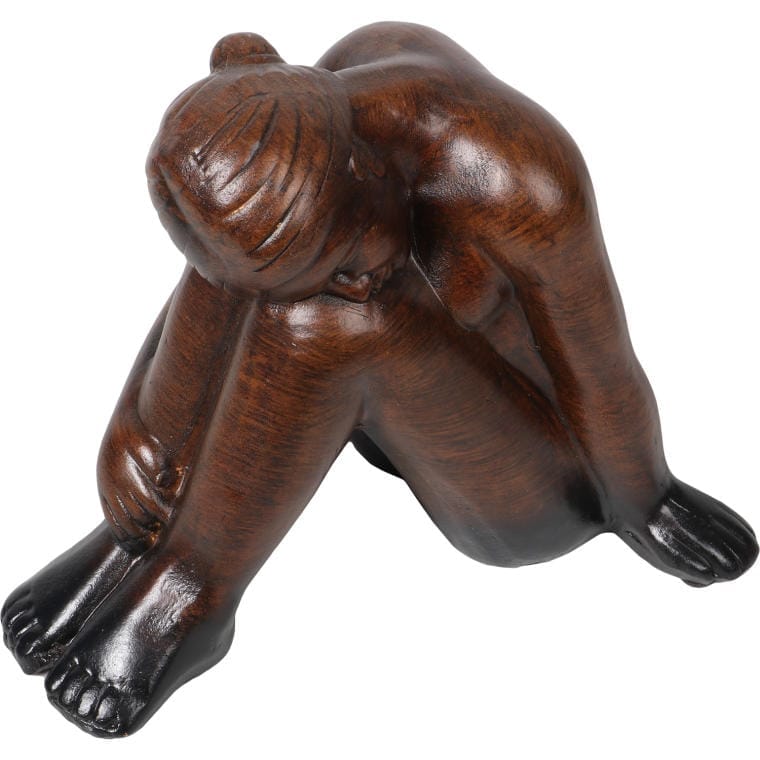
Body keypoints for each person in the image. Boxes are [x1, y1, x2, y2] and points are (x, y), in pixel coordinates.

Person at [3, 24, 756, 737]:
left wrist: (650, 501)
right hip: (385, 425)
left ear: (366, 166)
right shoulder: (299, 119)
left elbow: (602, 370)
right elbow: (224, 276)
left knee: (326, 318)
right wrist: (138, 432)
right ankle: (140, 538)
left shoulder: (522, 184)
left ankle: (194, 587)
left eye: (346, 258)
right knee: (264, 269)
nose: (358, 276)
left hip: (534, 483)